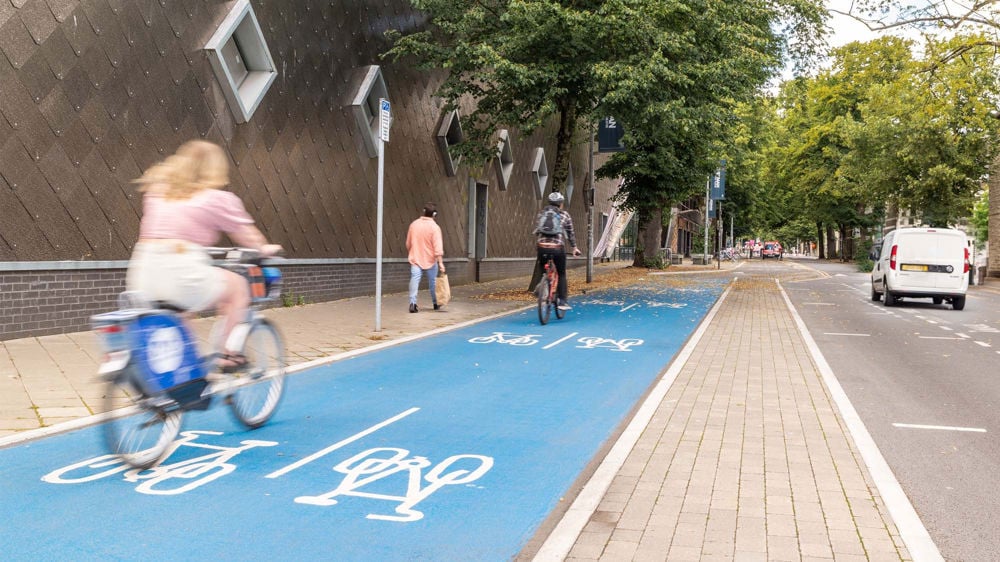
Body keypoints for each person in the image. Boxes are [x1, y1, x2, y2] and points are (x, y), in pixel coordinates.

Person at [126, 140, 282, 370]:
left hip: (142, 273)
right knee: (238, 287)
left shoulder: (157, 192)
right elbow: (247, 235)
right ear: (214, 169)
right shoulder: (216, 199)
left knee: (181, 312)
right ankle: (228, 354)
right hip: (182, 272)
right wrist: (265, 248)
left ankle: (187, 372)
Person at [535, 191, 581, 310]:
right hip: (557, 248)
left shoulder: (542, 214)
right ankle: (562, 301)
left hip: (542, 246)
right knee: (561, 273)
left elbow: (538, 230)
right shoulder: (565, 215)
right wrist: (574, 247)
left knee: (543, 267)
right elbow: (571, 233)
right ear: (560, 204)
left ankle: (541, 284)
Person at [406, 202, 445, 313]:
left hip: (416, 258)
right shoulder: (435, 227)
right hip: (431, 260)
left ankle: (412, 303)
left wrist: (412, 252)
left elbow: (408, 243)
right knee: (432, 282)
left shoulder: (414, 225)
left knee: (415, 279)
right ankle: (435, 303)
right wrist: (441, 263)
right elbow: (438, 247)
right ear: (434, 215)